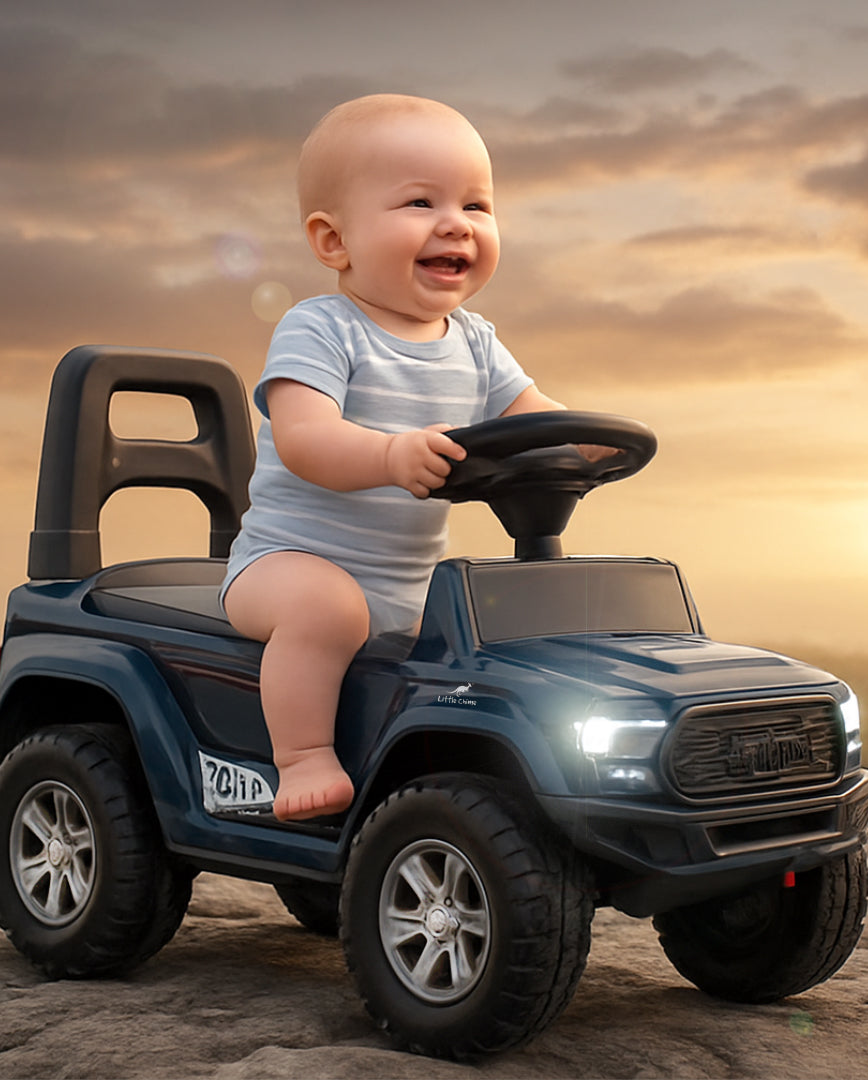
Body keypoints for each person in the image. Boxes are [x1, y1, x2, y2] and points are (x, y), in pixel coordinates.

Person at [222, 93, 604, 821]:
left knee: (497, 630)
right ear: (334, 242)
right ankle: (302, 757)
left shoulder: (475, 340)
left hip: (409, 585)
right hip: (287, 566)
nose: (456, 223)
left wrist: (586, 437)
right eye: (420, 202)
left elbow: (534, 417)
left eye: (477, 205)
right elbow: (304, 440)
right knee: (328, 612)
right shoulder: (321, 329)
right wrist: (391, 455)